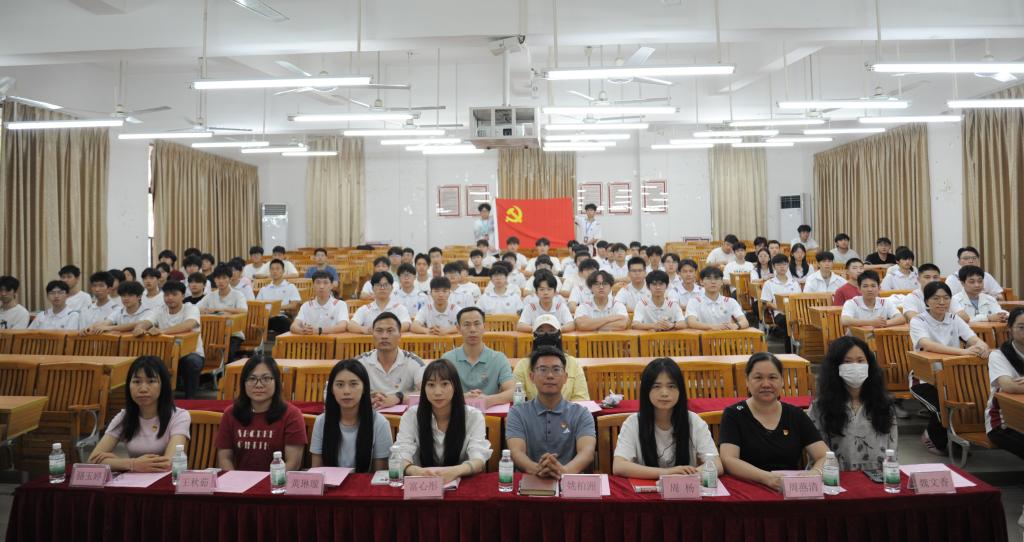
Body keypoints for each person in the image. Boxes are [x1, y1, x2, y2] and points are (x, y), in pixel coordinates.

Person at [720, 353, 829, 490]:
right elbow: (728, 459)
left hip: (789, 489)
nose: (766, 384)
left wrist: (815, 473)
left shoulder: (796, 414)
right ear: (747, 381)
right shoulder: (733, 414)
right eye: (758, 378)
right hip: (748, 488)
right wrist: (767, 478)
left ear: (782, 381)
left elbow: (825, 456)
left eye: (772, 377)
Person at [909, 281, 990, 455]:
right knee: (942, 408)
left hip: (953, 377)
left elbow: (973, 338)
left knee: (966, 403)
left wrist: (982, 346)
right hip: (924, 378)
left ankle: (956, 439)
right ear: (927, 301)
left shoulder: (954, 318)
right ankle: (932, 437)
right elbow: (927, 344)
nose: (942, 302)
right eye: (936, 298)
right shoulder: (918, 320)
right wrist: (962, 352)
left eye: (946, 298)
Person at [612, 358, 722, 478]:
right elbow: (619, 466)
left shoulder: (694, 421)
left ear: (680, 390)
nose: (664, 393)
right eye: (656, 386)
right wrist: (668, 473)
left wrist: (683, 477)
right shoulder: (633, 423)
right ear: (646, 390)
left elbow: (716, 464)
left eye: (671, 386)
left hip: (683, 487)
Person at [808, 337, 897, 472]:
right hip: (835, 478)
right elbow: (817, 455)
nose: (855, 366)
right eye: (847, 362)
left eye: (860, 361)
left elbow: (892, 450)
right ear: (835, 367)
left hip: (877, 477)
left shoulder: (884, 404)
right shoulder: (819, 407)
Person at [396, 359, 492, 483]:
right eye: (431, 385)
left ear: (455, 386)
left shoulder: (473, 416)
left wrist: (455, 471)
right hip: (422, 483)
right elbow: (401, 453)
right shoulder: (411, 416)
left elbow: (479, 459)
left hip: (461, 482)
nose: (437, 392)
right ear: (424, 388)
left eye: (445, 384)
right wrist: (415, 471)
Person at [506, 345, 596, 478]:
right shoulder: (517, 413)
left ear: (565, 377)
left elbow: (587, 453)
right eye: (543, 370)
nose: (549, 375)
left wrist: (563, 472)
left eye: (556, 370)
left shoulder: (582, 414)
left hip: (568, 480)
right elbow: (516, 452)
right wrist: (538, 469)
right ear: (532, 377)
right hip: (530, 480)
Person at [88, 356, 191, 472]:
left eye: (151, 381)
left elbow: (169, 463)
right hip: (133, 480)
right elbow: (92, 460)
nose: (143, 389)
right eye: (137, 382)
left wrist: (117, 462)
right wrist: (132, 464)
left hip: (166, 480)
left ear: (164, 385)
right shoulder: (124, 417)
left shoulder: (179, 416)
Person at [216, 354, 307, 471]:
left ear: (276, 382)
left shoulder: (292, 415)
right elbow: (224, 459)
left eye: (266, 378)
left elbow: (293, 464)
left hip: (277, 481)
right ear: (244, 383)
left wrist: (270, 481)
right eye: (252, 379)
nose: (258, 385)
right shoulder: (231, 413)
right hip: (239, 480)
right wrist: (234, 479)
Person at [310, 359, 393, 471]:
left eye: (353, 384)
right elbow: (317, 471)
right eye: (340, 385)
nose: (346, 391)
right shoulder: (321, 421)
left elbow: (379, 473)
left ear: (364, 388)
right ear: (332, 389)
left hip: (366, 482)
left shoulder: (379, 423)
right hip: (330, 482)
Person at [133, 282, 206, 398]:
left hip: (190, 354)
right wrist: (139, 328)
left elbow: (189, 324)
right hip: (165, 355)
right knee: (145, 360)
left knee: (192, 362)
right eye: (166, 295)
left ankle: (190, 399)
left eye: (174, 294)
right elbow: (146, 321)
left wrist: (162, 331)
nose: (170, 298)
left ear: (183, 296)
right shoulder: (159, 309)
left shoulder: (191, 308)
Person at [441, 307, 515, 407]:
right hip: (457, 412)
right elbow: (439, 391)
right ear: (458, 329)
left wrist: (488, 400)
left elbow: (513, 391)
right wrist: (462, 398)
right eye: (467, 324)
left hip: (489, 413)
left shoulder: (499, 358)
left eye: (477, 324)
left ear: (484, 326)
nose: (472, 329)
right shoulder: (447, 359)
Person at [356, 312, 425, 409]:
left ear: (400, 336)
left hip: (403, 417)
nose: (384, 336)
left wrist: (399, 397)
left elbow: (428, 392)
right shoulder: (360, 362)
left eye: (390, 331)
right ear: (372, 335)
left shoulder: (414, 362)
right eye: (379, 331)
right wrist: (365, 398)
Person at [511, 316, 590, 401]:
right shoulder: (523, 365)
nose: (546, 335)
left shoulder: (573, 364)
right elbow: (518, 400)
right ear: (534, 336)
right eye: (541, 331)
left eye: (552, 331)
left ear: (559, 335)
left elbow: (582, 399)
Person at [986, 308, 1024, 460]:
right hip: (1003, 420)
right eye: (1022, 327)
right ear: (1010, 329)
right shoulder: (998, 355)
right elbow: (1009, 386)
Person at [759, 254, 802, 352]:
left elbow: (798, 299)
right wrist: (781, 309)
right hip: (778, 313)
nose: (782, 267)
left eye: (784, 264)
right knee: (788, 322)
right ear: (774, 266)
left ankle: (799, 348)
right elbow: (767, 302)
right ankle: (790, 351)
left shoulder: (794, 283)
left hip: (794, 312)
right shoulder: (769, 283)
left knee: (798, 321)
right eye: (779, 265)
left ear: (788, 265)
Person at [900, 263, 969, 323]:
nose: (932, 280)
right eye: (927, 277)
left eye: (935, 277)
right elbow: (915, 319)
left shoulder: (946, 296)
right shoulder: (912, 297)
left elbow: (964, 317)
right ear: (918, 279)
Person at [840, 271, 905, 329]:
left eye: (873, 286)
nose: (869, 289)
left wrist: (882, 323)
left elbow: (901, 318)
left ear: (879, 288)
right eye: (865, 286)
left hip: (879, 337)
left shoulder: (885, 302)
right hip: (855, 338)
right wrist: (871, 323)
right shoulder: (852, 303)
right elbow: (844, 320)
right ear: (859, 289)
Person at [291, 271, 349, 335]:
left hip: (331, 340)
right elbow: (293, 326)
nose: (321, 286)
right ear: (313, 285)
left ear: (331, 286)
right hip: (310, 339)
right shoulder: (306, 306)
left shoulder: (340, 304)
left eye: (325, 283)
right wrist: (302, 331)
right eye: (318, 283)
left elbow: (342, 326)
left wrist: (319, 331)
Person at [83, 281, 152, 334]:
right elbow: (106, 322)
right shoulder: (119, 311)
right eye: (123, 295)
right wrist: (91, 327)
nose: (126, 298)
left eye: (130, 295)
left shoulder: (147, 312)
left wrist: (110, 328)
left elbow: (136, 324)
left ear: (139, 296)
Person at [255, 259, 302, 335]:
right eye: (272, 269)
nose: (275, 271)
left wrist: (277, 308)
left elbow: (294, 305)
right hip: (265, 317)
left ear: (283, 271)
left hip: (283, 315)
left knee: (281, 321)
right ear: (269, 271)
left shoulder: (290, 286)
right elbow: (257, 306)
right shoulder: (264, 289)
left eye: (277, 268)